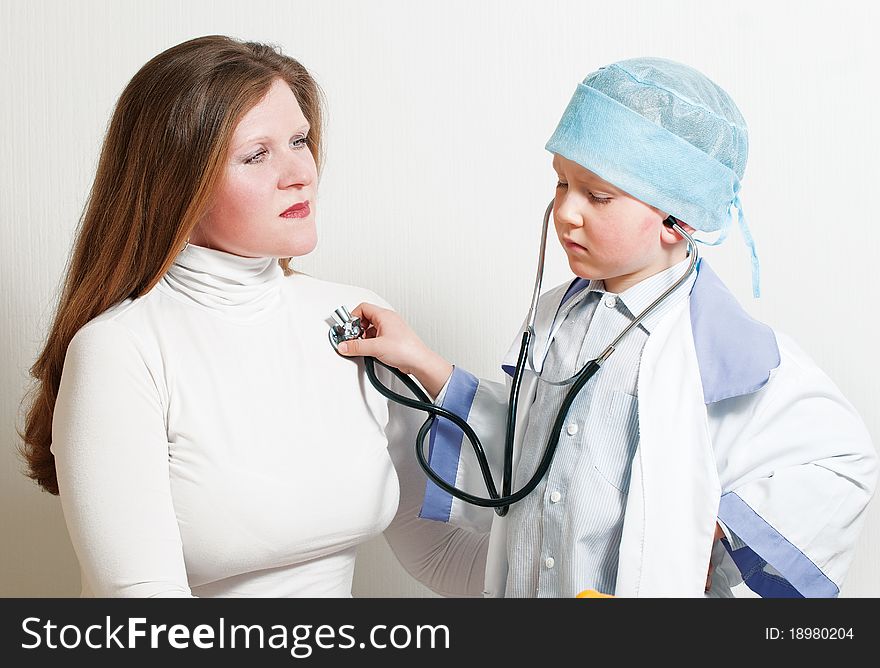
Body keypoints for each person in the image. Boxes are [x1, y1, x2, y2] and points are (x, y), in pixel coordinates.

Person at [337, 57, 878, 597]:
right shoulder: (557, 316)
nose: (567, 212)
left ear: (678, 218)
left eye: (598, 196)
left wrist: (720, 532)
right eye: (561, 183)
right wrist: (417, 360)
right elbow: (527, 455)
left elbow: (844, 464)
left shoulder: (724, 354)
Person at [19, 35, 487, 597]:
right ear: (179, 183)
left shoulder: (357, 319)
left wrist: (585, 574)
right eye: (256, 154)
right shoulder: (120, 350)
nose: (300, 174)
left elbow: (436, 548)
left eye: (299, 141)